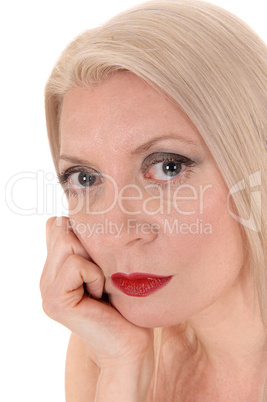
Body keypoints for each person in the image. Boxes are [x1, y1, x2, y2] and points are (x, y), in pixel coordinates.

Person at [40, 0, 267, 400]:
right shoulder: (105, 346)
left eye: (167, 168)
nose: (115, 234)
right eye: (86, 178)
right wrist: (122, 370)